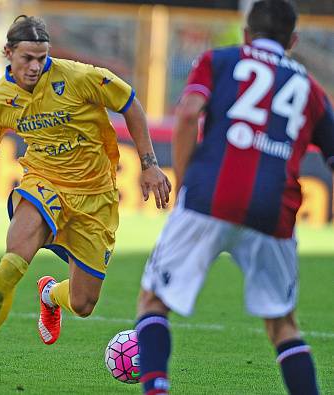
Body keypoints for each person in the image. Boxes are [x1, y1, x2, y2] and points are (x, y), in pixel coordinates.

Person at [0, 15, 171, 383]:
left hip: (96, 197)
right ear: (8, 53)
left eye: (42, 57)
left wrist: (149, 164)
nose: (35, 66)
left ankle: (51, 295)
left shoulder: (80, 77)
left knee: (84, 304)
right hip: (44, 185)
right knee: (11, 264)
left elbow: (130, 104)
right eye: (27, 57)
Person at [135, 1, 333, 394]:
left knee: (154, 302)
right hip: (275, 211)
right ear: (292, 40)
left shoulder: (219, 60)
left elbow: (190, 113)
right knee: (283, 325)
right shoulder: (311, 90)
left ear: (246, 33)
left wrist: (186, 179)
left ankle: (156, 387)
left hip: (210, 196)